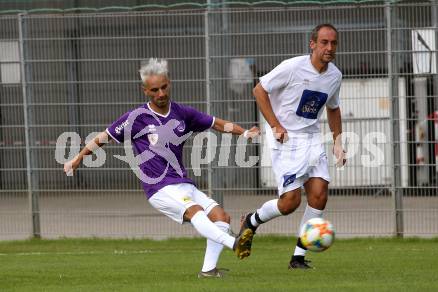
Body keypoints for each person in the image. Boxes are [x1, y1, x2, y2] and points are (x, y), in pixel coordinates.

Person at [64, 58, 259, 278]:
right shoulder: (136, 118)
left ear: (170, 83)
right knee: (195, 211)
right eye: (154, 90)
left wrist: (244, 132)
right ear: (145, 91)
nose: (161, 93)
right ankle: (235, 244)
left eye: (164, 87)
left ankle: (208, 271)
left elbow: (216, 123)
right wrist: (78, 158)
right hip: (159, 187)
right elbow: (104, 137)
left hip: (182, 183)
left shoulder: (182, 113)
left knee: (221, 217)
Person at [239, 23, 346, 269]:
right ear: (312, 44)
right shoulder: (293, 67)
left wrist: (338, 140)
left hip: (310, 138)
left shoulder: (334, 76)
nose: (329, 48)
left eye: (333, 43)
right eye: (324, 42)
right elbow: (259, 90)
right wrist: (275, 125)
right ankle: (251, 222)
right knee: (290, 202)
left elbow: (333, 107)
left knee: (319, 194)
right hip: (284, 139)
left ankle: (298, 258)